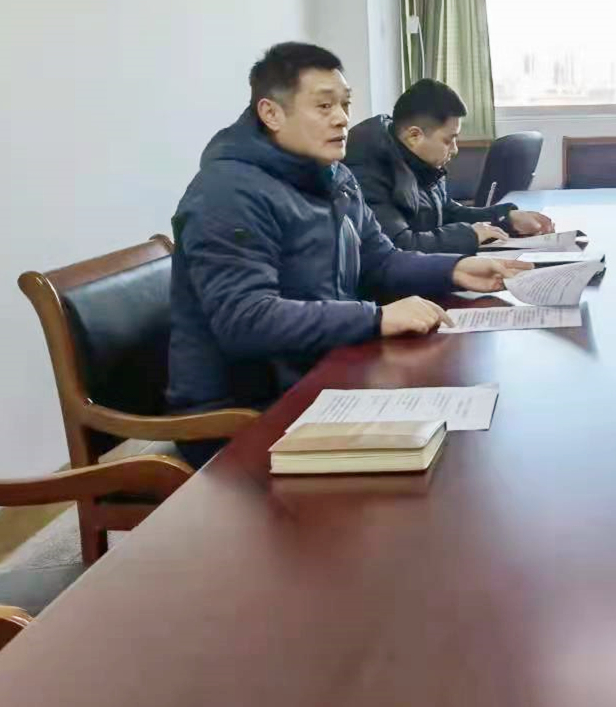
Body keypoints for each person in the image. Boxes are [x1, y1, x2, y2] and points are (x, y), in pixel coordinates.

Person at [167, 43, 529, 466]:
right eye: (324, 106)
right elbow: (246, 320)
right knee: (444, 464)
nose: (341, 118)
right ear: (271, 113)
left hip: (321, 376)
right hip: (244, 416)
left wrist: (456, 268)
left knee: (478, 424)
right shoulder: (227, 193)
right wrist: (375, 318)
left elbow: (381, 260)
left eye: (345, 104)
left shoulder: (334, 176)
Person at [344, 78, 554, 256]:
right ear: (414, 136)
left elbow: (448, 211)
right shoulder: (366, 170)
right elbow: (399, 246)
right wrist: (469, 235)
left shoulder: (419, 160)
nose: (454, 149)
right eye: (448, 140)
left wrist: (505, 219)